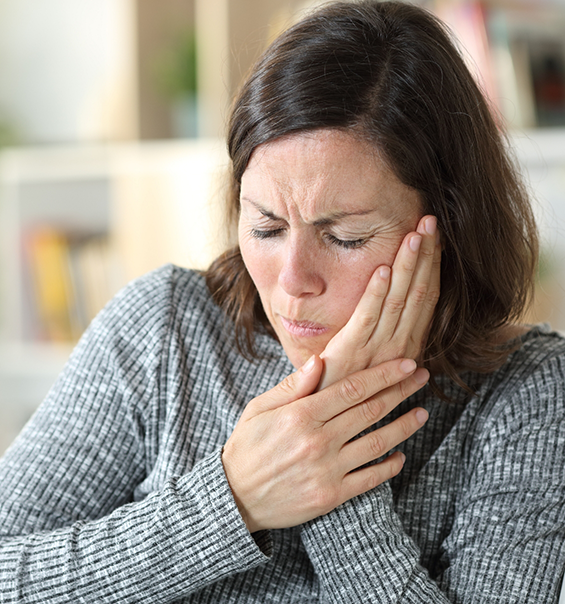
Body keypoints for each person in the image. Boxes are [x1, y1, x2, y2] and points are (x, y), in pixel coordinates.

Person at [0, 1, 564, 602]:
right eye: (267, 227)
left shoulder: (528, 392)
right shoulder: (162, 329)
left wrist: (331, 462)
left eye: (343, 237)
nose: (293, 279)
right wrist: (231, 501)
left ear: (448, 227)